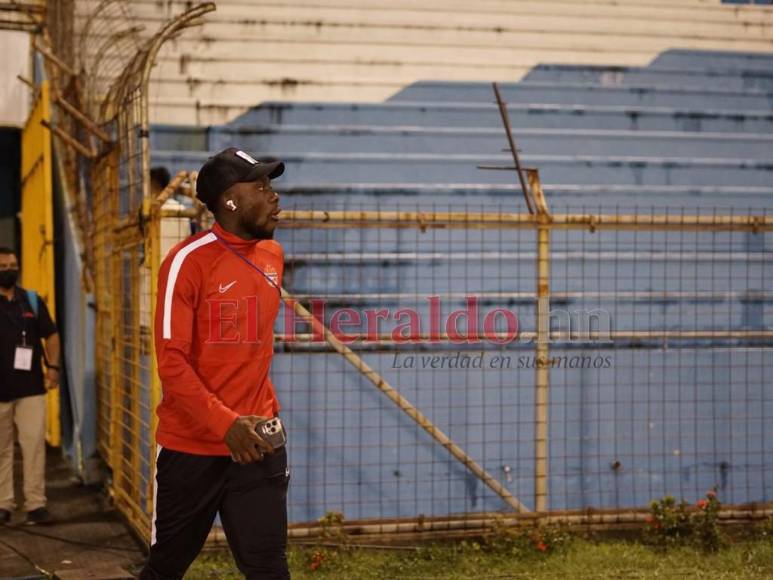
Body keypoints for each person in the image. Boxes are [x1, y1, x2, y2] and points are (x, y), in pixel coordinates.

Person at [140, 148, 289, 579]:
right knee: (166, 568)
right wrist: (225, 423)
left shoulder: (272, 255)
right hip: (192, 449)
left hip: (258, 442)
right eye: (260, 186)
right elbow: (171, 363)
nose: (273, 195)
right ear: (230, 201)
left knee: (268, 568)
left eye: (271, 185)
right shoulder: (186, 262)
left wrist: (253, 417)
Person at [0, 247, 60, 525]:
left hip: (31, 388)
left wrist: (53, 368)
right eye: (3, 266)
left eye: (12, 265)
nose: (8, 270)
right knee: (1, 450)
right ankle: (3, 504)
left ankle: (35, 504)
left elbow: (51, 334)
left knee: (34, 447)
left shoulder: (31, 301)